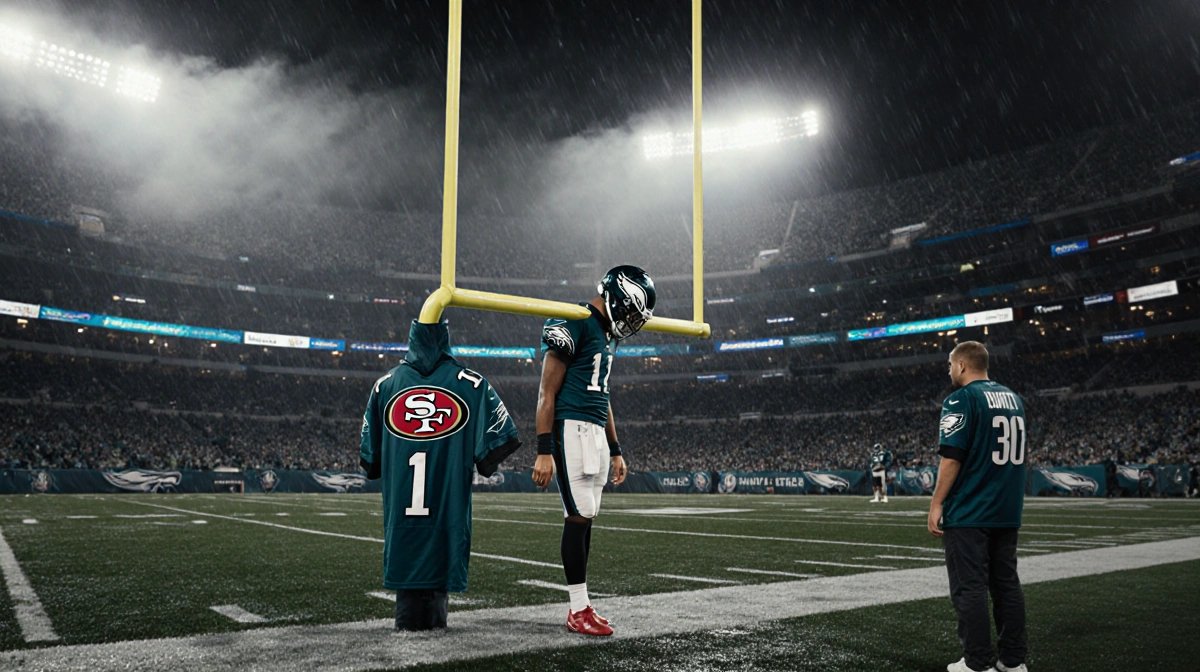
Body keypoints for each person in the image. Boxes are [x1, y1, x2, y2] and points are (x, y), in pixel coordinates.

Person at [360, 318, 521, 631]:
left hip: (402, 524)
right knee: (436, 617)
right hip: (446, 523)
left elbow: (370, 462)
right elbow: (498, 447)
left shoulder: (385, 385)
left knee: (407, 617)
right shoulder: (472, 384)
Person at [531, 265, 655, 637]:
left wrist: (616, 448)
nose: (631, 321)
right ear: (617, 297)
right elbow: (546, 393)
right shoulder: (575, 321)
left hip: (595, 432)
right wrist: (543, 449)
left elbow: (603, 396)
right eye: (631, 310)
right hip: (570, 429)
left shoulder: (606, 334)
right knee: (578, 515)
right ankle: (577, 609)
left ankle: (582, 605)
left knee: (587, 517)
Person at [928, 341, 1029, 672]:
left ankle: (977, 663)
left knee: (969, 588)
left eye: (949, 365)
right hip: (1006, 508)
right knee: (1006, 586)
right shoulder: (1014, 399)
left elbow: (952, 457)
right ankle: (1013, 662)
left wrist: (937, 503)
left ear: (960, 366)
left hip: (971, 509)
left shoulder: (961, 398)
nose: (948, 371)